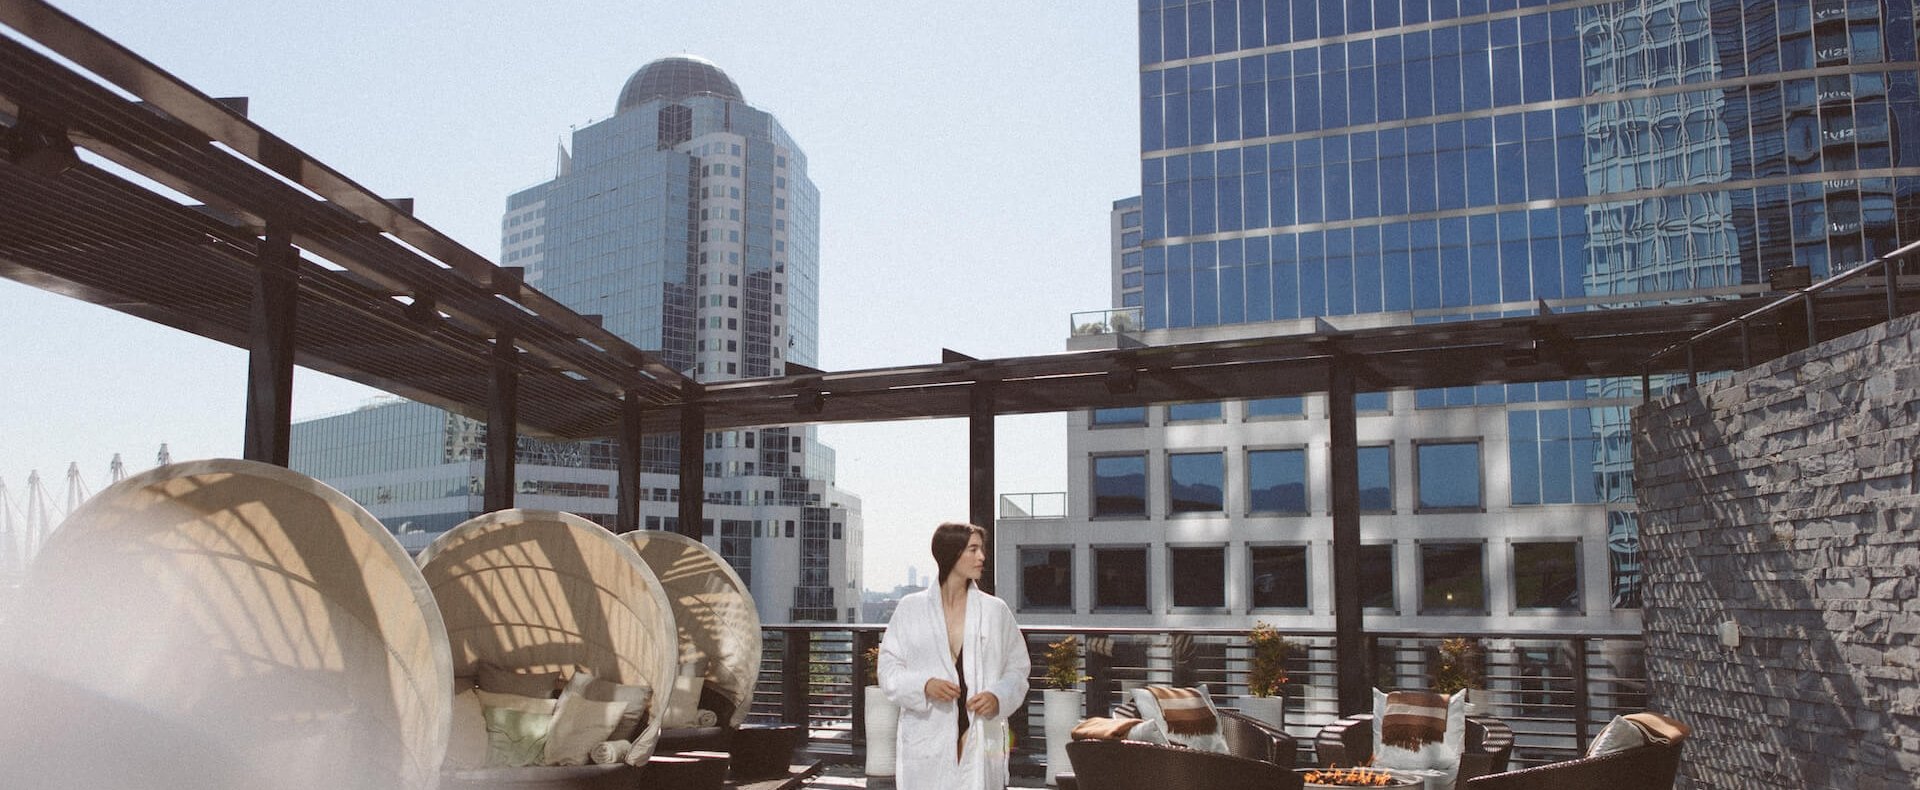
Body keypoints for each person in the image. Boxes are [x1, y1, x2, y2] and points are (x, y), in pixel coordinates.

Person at [879, 522, 1030, 790]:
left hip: (980, 730)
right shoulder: (910, 609)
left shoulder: (995, 611)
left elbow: (1018, 668)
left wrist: (997, 696)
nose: (981, 557)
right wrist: (923, 685)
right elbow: (888, 669)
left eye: (981, 549)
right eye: (973, 549)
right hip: (927, 735)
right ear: (952, 553)